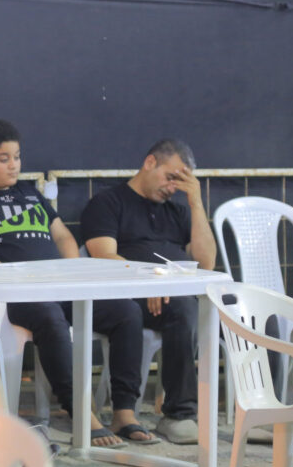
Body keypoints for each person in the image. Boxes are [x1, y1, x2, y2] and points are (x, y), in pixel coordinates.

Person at [0, 119, 154, 447]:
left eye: (17, 157)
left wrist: (71, 274)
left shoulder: (30, 193)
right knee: (51, 318)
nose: (14, 165)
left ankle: (124, 412)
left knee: (127, 312)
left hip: (58, 287)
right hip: (13, 296)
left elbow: (63, 236)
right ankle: (80, 412)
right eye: (3, 159)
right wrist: (10, 278)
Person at [80, 138, 217, 445]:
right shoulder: (108, 203)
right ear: (150, 162)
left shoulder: (178, 211)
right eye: (170, 177)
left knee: (250, 307)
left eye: (180, 183)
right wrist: (150, 282)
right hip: (133, 294)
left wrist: (196, 203)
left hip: (180, 291)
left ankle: (264, 407)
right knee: (182, 308)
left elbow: (207, 262)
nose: (172, 188)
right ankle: (179, 415)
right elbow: (103, 255)